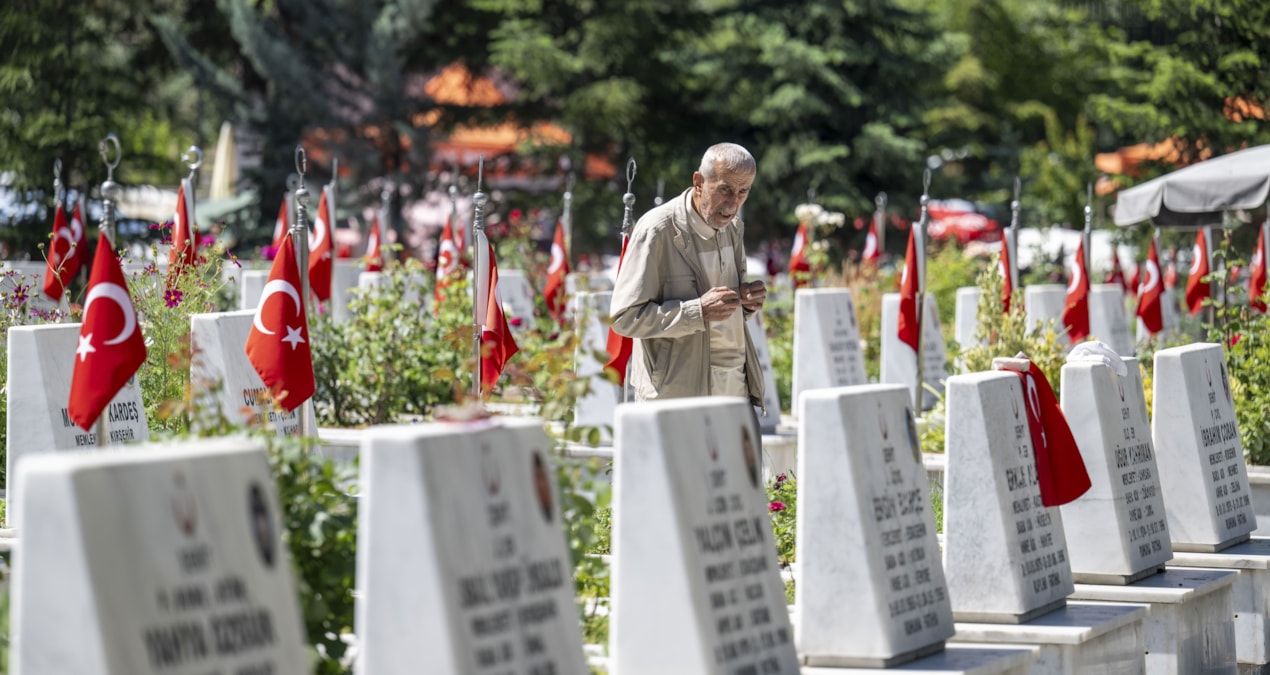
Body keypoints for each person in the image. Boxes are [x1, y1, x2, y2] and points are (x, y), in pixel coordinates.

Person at [610, 143, 767, 408]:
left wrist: (745, 304)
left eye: (743, 192)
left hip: (736, 390)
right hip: (677, 395)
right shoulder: (657, 230)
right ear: (699, 181)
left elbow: (723, 313)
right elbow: (624, 318)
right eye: (725, 189)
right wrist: (698, 311)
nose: (733, 204)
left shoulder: (733, 227)